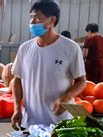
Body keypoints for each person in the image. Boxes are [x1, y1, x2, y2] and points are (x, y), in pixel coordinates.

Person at [11, 1, 86, 130]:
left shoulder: (70, 48)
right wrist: (17, 108)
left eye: (37, 17)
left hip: (60, 124)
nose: (32, 22)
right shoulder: (25, 48)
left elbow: (81, 81)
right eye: (31, 17)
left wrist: (66, 98)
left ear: (52, 20)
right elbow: (17, 80)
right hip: (30, 123)